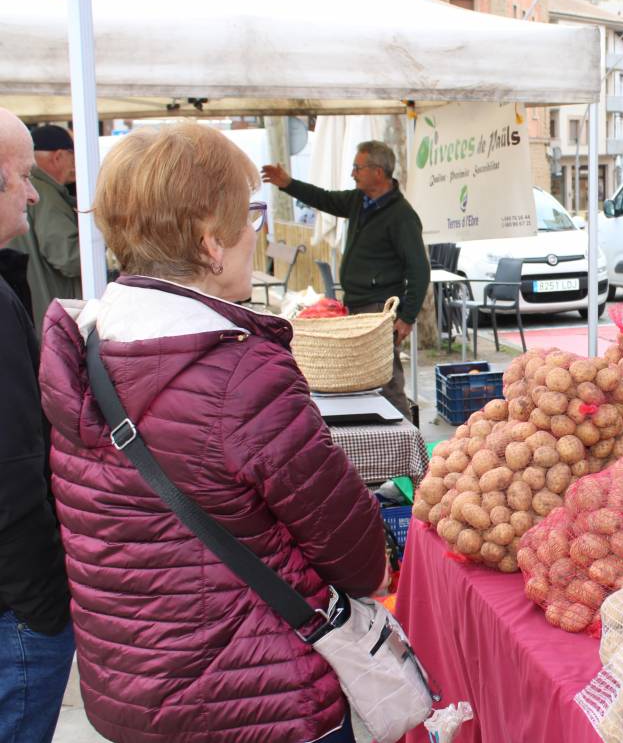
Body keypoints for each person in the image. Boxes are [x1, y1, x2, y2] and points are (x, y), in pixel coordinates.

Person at [38, 122, 387, 743]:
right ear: (209, 243)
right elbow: (358, 561)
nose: (257, 232)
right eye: (250, 215)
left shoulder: (83, 350)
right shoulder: (241, 374)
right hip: (259, 702)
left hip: (131, 696)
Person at [0, 108, 74, 743]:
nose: (31, 192)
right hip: (16, 607)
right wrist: (42, 603)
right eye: (19, 176)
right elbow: (15, 469)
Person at [262, 141, 430, 419]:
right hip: (358, 304)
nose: (353, 173)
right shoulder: (358, 201)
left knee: (387, 379)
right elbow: (323, 198)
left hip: (379, 309)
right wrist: (288, 183)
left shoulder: (402, 216)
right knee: (364, 376)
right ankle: (377, 434)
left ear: (378, 172)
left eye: (357, 167)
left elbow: (419, 269)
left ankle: (406, 439)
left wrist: (408, 316)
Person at [10, 124, 82, 333]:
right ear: (58, 156)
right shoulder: (46, 195)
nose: (76, 164)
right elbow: (67, 257)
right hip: (50, 315)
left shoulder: (29, 188)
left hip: (31, 308)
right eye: (73, 156)